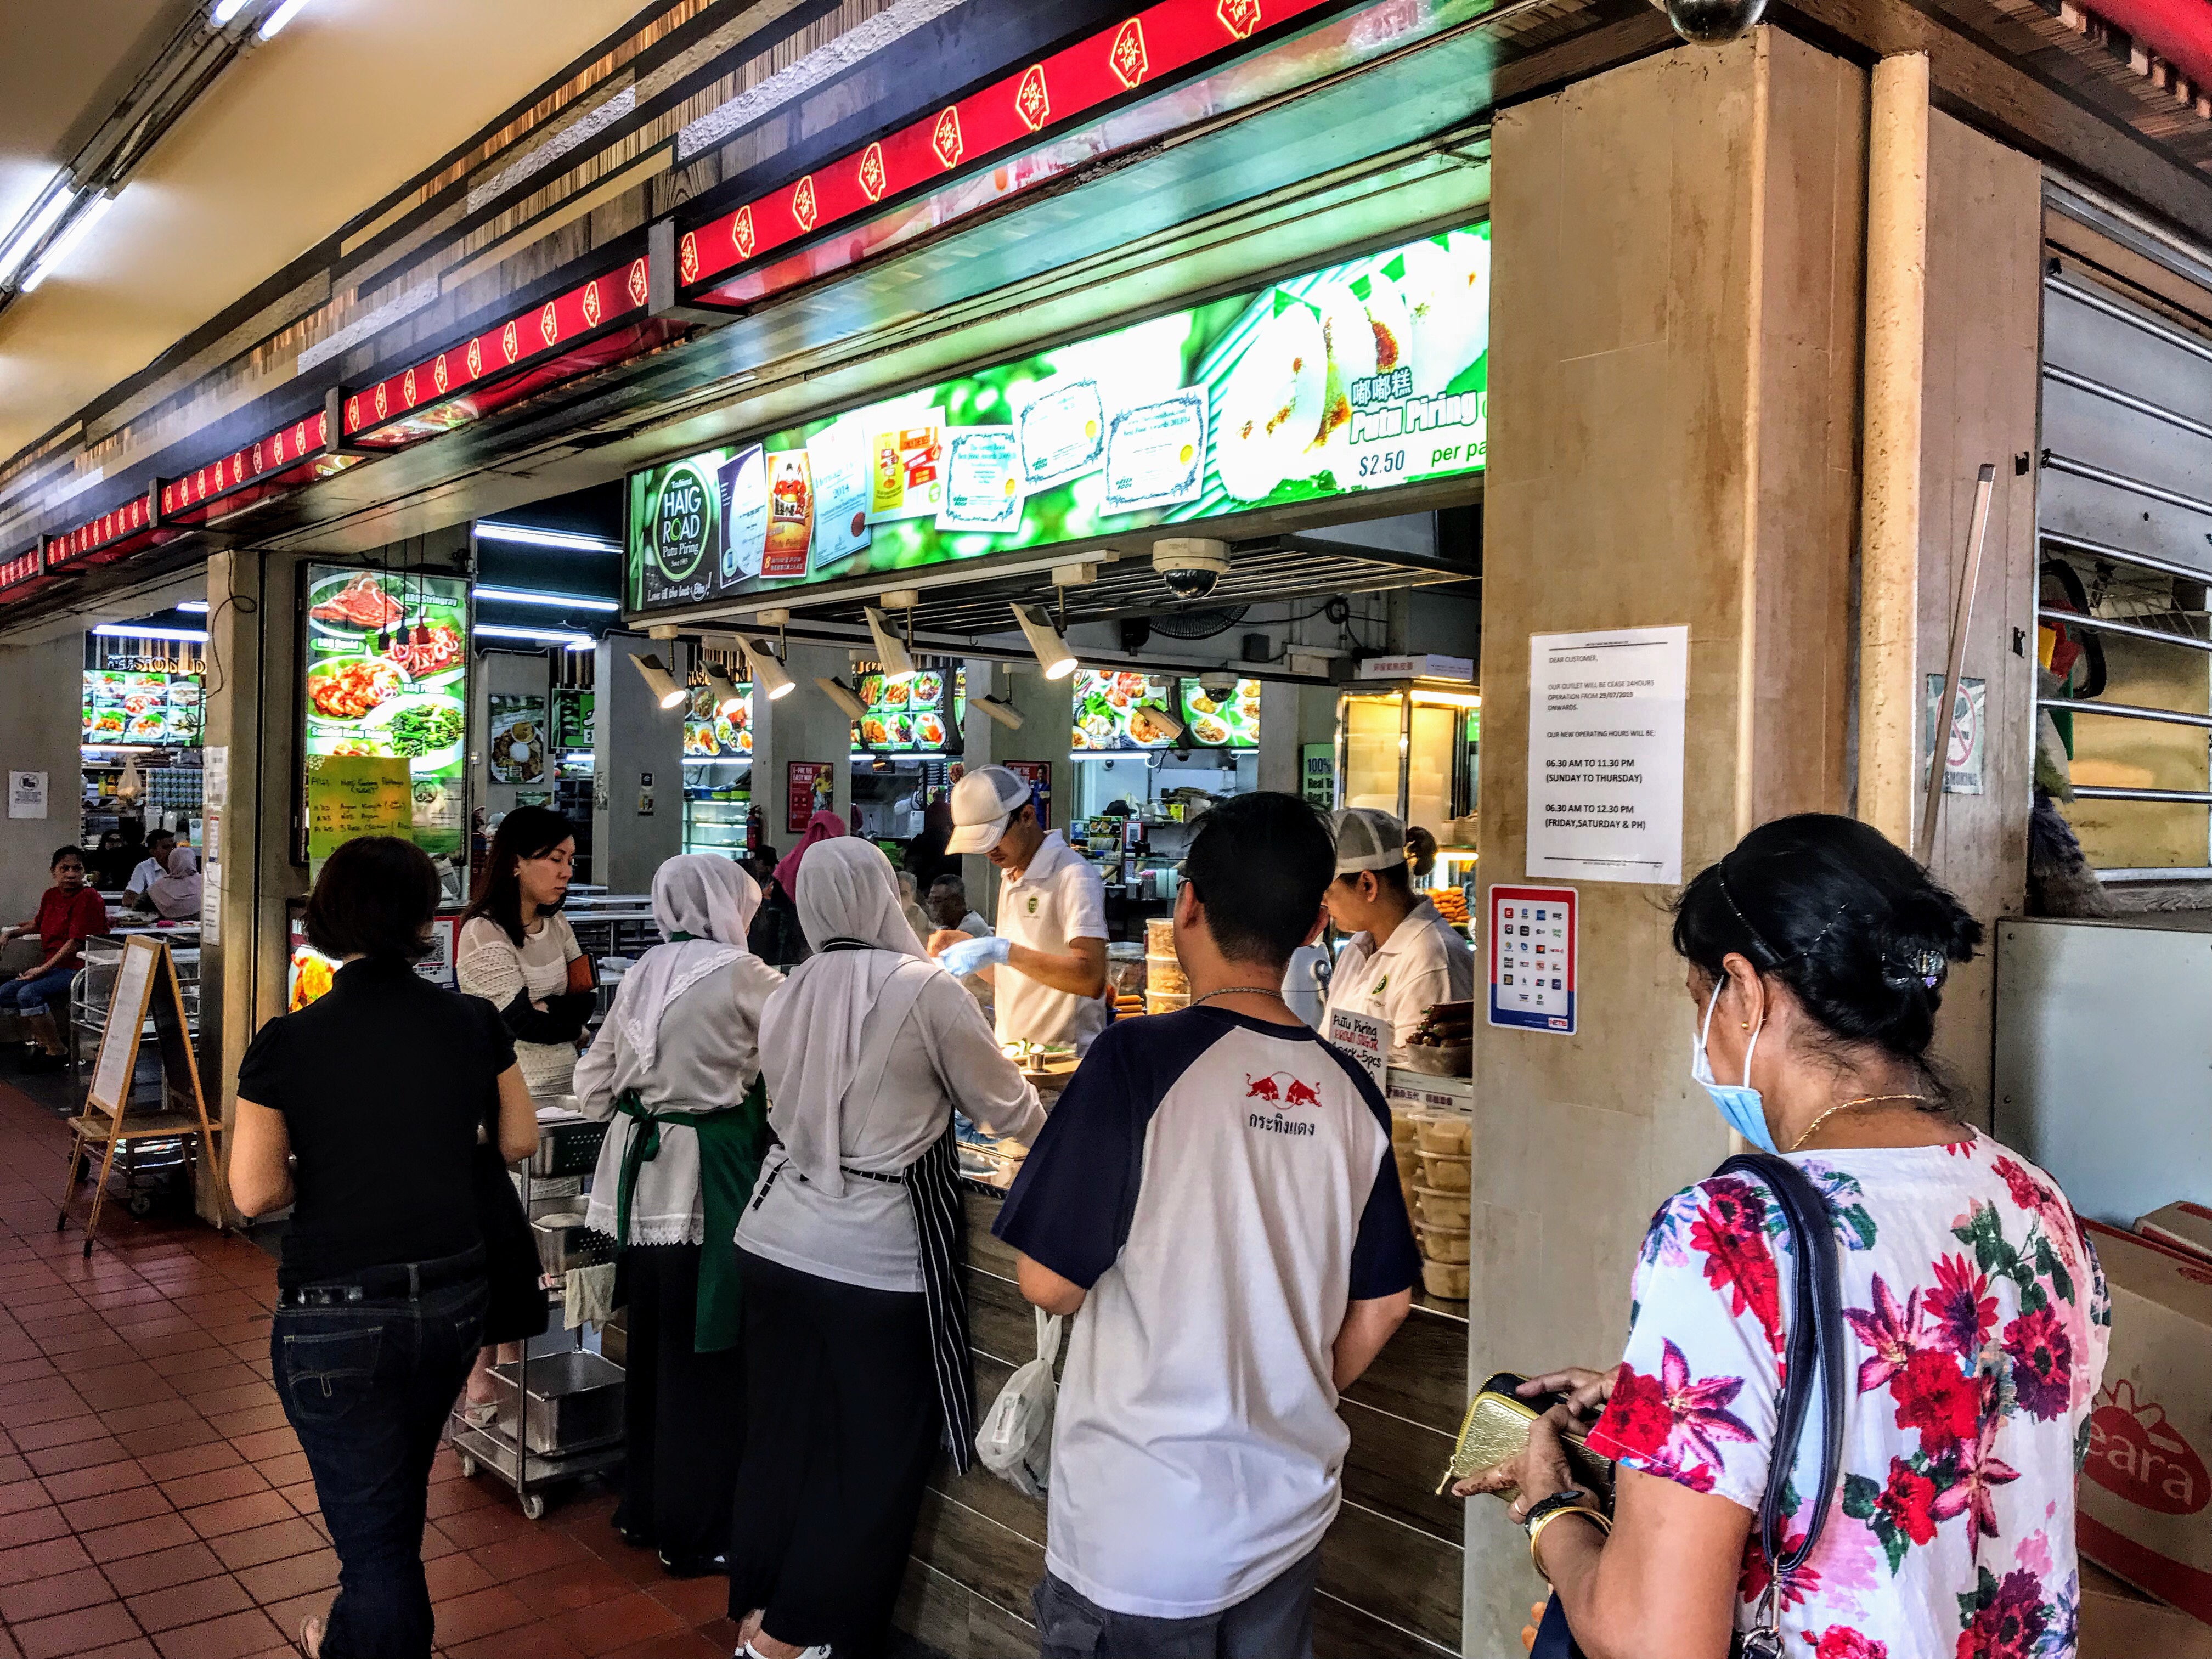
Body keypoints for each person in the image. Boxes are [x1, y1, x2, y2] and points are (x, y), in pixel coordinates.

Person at [1454, 815, 2109, 1659]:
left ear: (1746, 989)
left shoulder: (1731, 1232)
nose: (1705, 1045)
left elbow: (1654, 1639)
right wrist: (1668, 1409)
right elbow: (1957, 1431)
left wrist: (1554, 1507)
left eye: (1701, 1005)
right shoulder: (2033, 1200)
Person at [995, 792, 1418, 1656]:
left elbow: (1048, 1281)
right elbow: (1386, 1302)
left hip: (1138, 1527)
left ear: (1187, 905)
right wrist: (1284, 1393)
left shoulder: (1135, 1060)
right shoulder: (1353, 1094)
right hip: (1284, 1523)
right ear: (1313, 929)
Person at [729, 837, 1044, 1659]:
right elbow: (1010, 1108)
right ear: (882, 897)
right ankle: (792, 1637)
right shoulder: (925, 990)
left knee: (784, 1433)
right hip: (871, 1257)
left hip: (771, 1236)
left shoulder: (789, 988)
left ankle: (761, 1609)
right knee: (872, 1456)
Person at [228, 835, 537, 1659]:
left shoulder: (287, 1041)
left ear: (328, 916)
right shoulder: (472, 1021)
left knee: (377, 1546)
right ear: (423, 919)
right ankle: (342, 1639)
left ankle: (362, 1634)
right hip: (452, 1299)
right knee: (391, 1510)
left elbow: (253, 1193)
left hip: (334, 1313)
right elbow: (518, 1140)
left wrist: (318, 1171)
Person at [573, 856, 781, 1577]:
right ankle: (694, 1532)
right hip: (707, 1184)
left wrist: (645, 1103)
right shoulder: (749, 975)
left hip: (638, 1189)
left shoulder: (641, 971)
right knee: (708, 1359)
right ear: (731, 907)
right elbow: (800, 1062)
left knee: (652, 1352)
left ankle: (643, 1508)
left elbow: (591, 1084)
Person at [455, 806, 590, 1418]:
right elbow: (515, 1023)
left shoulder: (559, 929)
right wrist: (552, 1010)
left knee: (544, 1236)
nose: (567, 871)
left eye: (569, 859)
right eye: (554, 859)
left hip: (565, 1093)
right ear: (516, 862)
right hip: (509, 1097)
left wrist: (555, 1008)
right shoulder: (482, 933)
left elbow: (583, 1002)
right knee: (503, 1236)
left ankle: (518, 1366)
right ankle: (481, 1374)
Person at [931, 765, 1108, 1054]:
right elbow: (1018, 975)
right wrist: (972, 949)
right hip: (1015, 1054)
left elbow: (1090, 979)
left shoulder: (1073, 875)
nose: (990, 852)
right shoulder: (1011, 876)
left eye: (995, 837)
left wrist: (1003, 950)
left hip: (1064, 1060)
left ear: (1027, 816)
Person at [1319, 808, 1473, 1064]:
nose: (1322, 902)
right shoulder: (1359, 945)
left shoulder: (1431, 959)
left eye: (1327, 891)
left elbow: (1421, 1080)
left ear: (1367, 884)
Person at [0, 846, 106, 1071]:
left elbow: (74, 943)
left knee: (28, 993)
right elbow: (38, 924)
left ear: (84, 872)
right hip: (54, 967)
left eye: (77, 869)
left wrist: (41, 970)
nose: (70, 874)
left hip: (79, 968)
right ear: (54, 871)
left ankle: (57, 1050)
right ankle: (41, 1040)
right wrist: (9, 934)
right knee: (5, 993)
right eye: (64, 868)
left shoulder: (89, 898)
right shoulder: (51, 895)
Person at [750, 811, 844, 968]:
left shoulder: (788, 865)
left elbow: (776, 916)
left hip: (785, 949)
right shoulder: (835, 867)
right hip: (819, 946)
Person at [140, 843, 202, 922]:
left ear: (171, 862)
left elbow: (139, 906)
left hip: (167, 931)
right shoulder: (205, 882)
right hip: (202, 931)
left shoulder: (158, 887)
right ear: (193, 861)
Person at [122, 826, 176, 909]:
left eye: (174, 847)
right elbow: (128, 900)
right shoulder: (144, 867)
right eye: (166, 847)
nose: (172, 850)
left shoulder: (184, 867)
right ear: (153, 851)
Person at [924, 874, 988, 939]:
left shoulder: (970, 928)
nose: (932, 907)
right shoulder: (949, 926)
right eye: (930, 901)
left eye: (938, 901)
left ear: (958, 903)